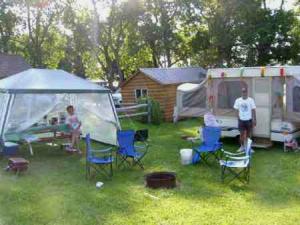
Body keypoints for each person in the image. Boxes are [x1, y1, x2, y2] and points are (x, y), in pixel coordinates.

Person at [233, 87, 256, 152]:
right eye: (243, 91)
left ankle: (249, 148)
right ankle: (242, 147)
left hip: (249, 120)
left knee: (249, 135)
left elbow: (254, 110)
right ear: (241, 92)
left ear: (247, 92)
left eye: (245, 91)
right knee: (241, 135)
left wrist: (255, 119)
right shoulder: (238, 100)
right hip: (241, 120)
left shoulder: (251, 100)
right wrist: (238, 117)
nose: (244, 93)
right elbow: (236, 110)